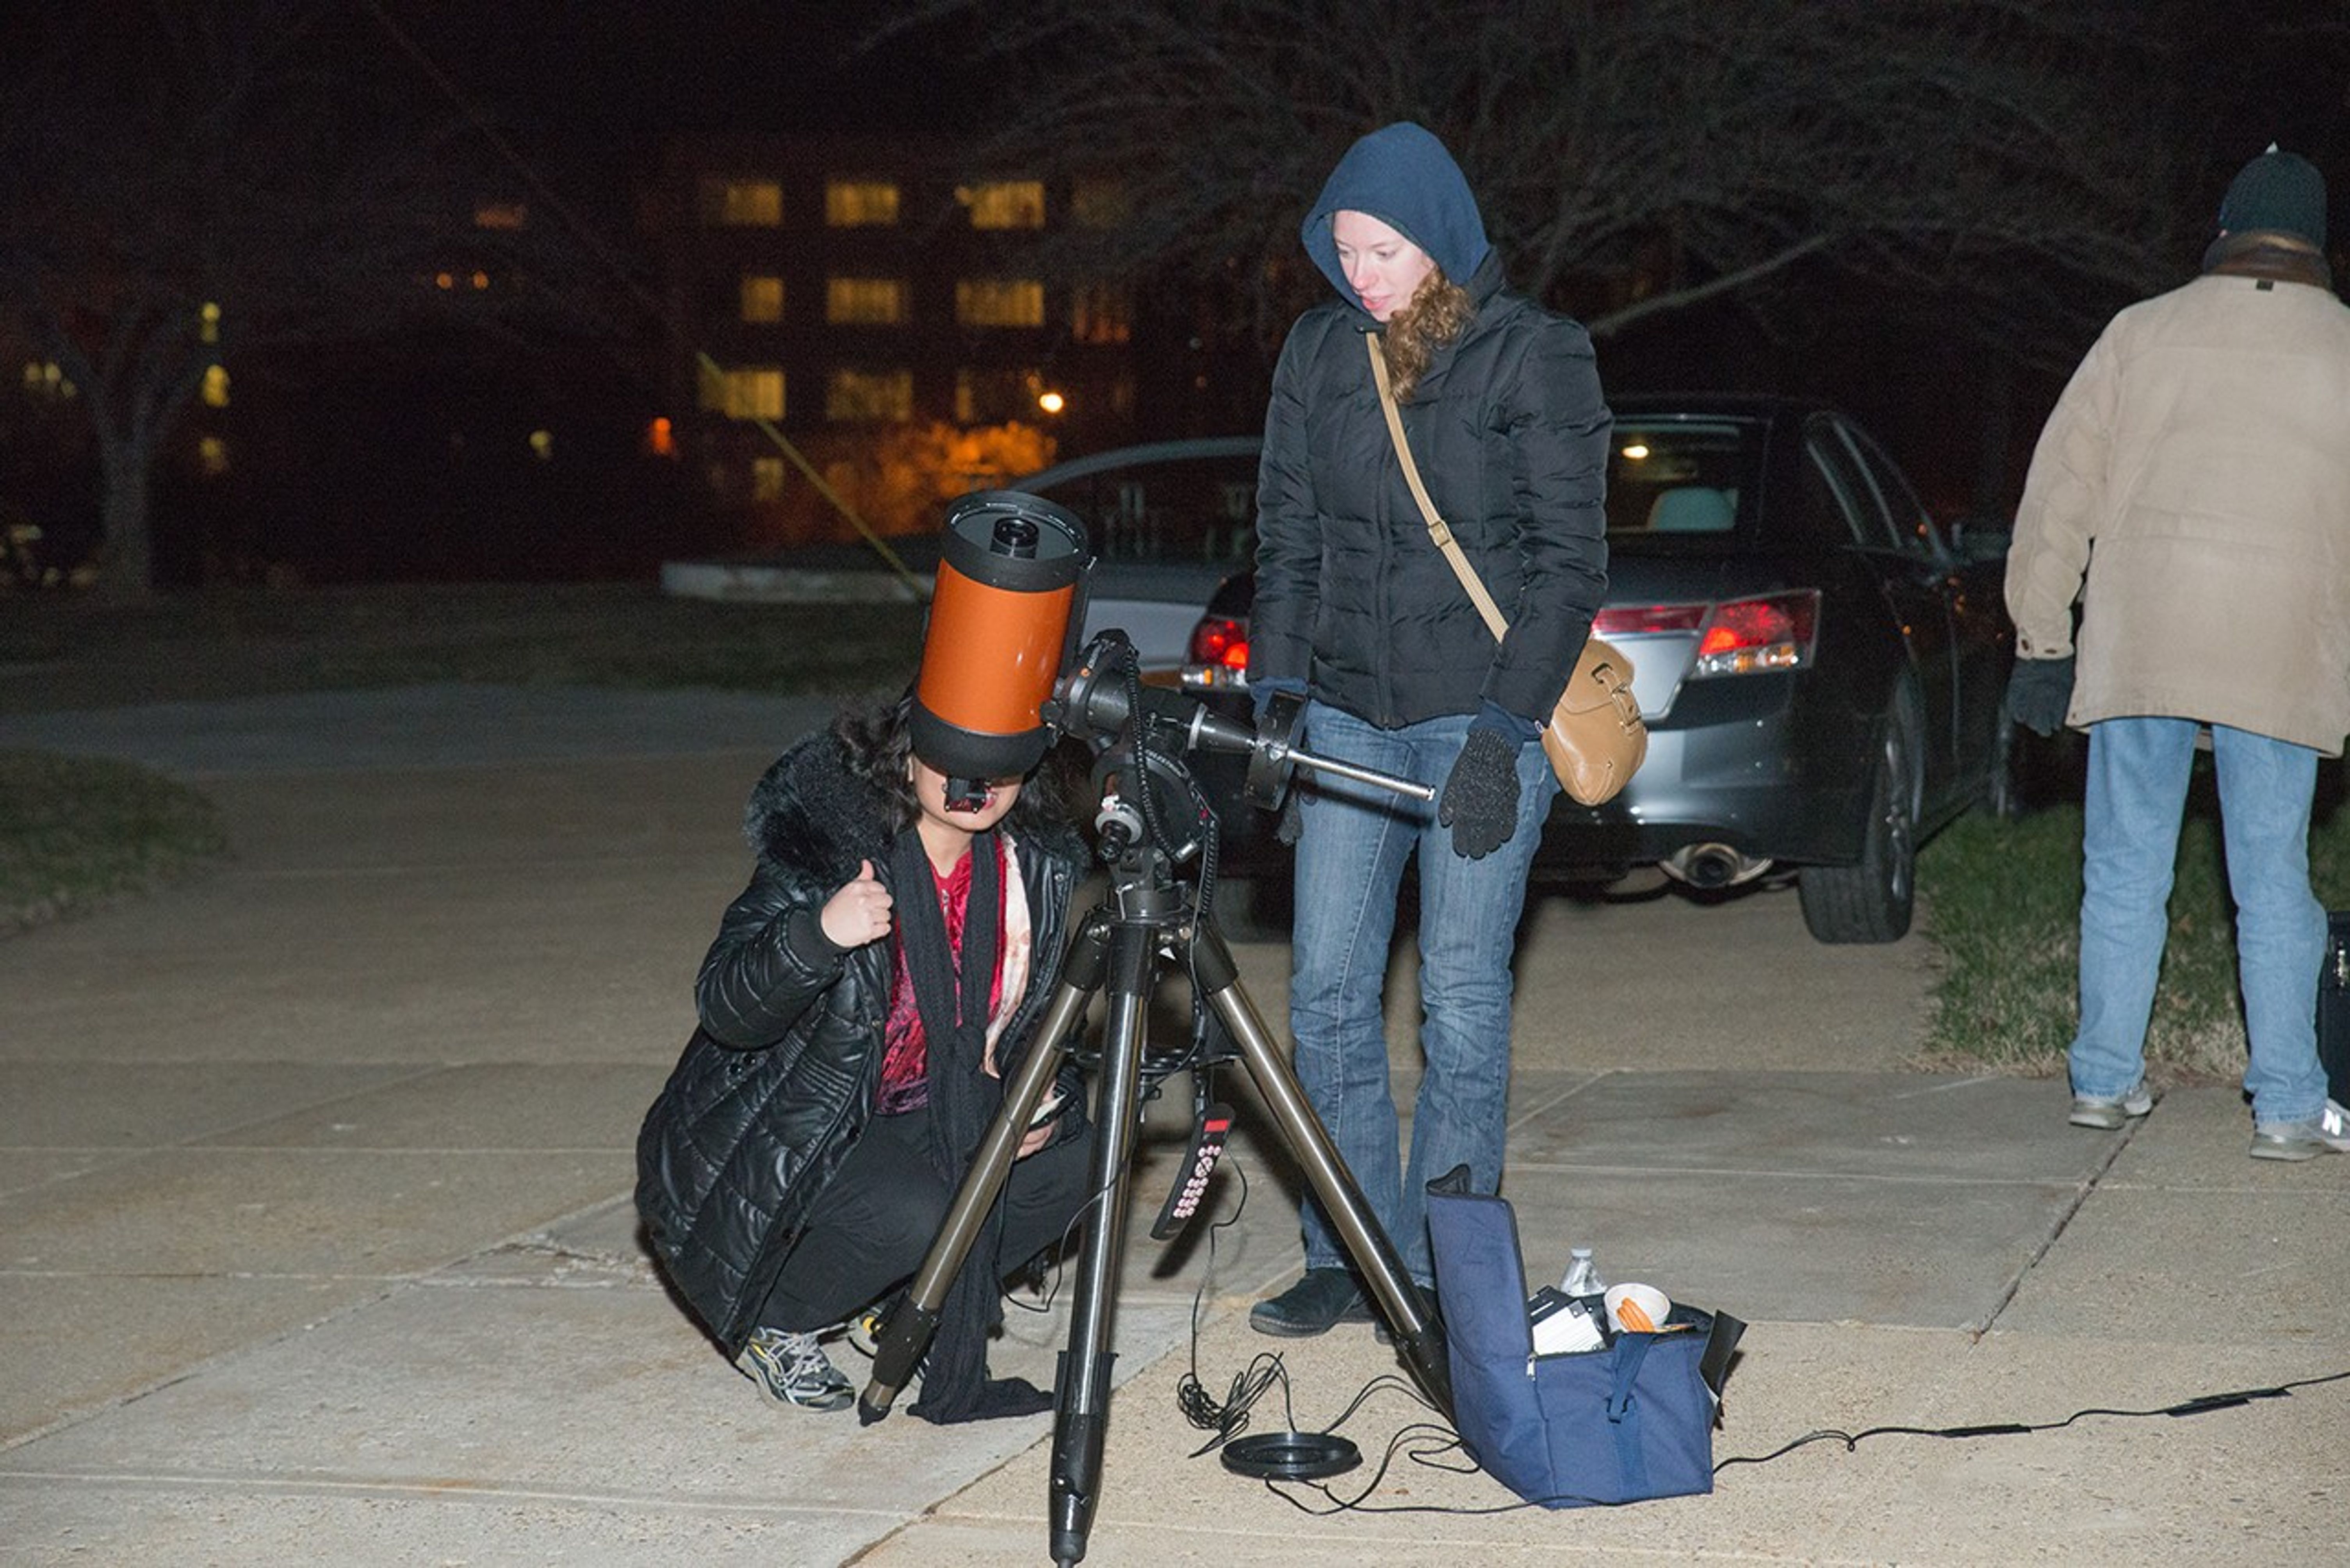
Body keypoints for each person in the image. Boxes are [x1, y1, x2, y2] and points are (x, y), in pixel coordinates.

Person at [1244, 121, 1611, 1334]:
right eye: (1344, 250)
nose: (1360, 275)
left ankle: (1452, 1261)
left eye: (1383, 250)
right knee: (1329, 998)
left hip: (1478, 715)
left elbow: (1567, 569)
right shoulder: (1315, 356)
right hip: (1345, 712)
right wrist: (1277, 703)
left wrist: (1506, 738)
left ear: (1441, 243)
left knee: (1457, 992)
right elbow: (1287, 541)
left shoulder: (1533, 357)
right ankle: (1349, 1249)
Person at [2004, 144, 2350, 1162]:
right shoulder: (2341, 345)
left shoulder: (2138, 333)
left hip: (2140, 635)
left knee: (2121, 866)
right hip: (2278, 645)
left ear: (2227, 226)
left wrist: (2039, 637)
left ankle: (2103, 1084)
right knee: (2271, 877)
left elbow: (2057, 492)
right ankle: (2286, 1105)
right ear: (2316, 240)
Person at [635, 694, 1094, 1418]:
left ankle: (908, 1304)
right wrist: (817, 936)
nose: (977, 782)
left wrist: (1039, 1092)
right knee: (922, 1214)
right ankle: (777, 1319)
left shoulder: (1024, 871)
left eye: (1002, 763)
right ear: (906, 758)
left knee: (1077, 1157)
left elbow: (1032, 1023)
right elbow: (725, 1004)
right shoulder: (834, 853)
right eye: (952, 759)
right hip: (799, 1112)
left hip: (924, 1100)